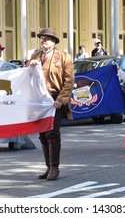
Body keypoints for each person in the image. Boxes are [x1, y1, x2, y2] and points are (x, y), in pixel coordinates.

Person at [28, 28, 74, 180]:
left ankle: (55, 167)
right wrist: (30, 66)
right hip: (39, 100)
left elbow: (69, 81)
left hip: (54, 99)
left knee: (52, 133)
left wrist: (61, 99)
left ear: (54, 42)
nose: (43, 41)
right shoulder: (35, 56)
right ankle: (48, 167)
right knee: (42, 134)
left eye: (46, 39)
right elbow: (26, 77)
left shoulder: (64, 57)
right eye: (41, 38)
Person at [0, 42, 36, 152]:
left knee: (6, 119)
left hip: (4, 98)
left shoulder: (6, 66)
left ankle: (11, 141)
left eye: (0, 52)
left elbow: (12, 78)